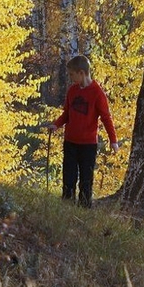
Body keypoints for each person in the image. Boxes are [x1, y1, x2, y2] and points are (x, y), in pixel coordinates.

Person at [46, 55, 119, 207]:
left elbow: (106, 118)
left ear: (81, 73)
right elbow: (67, 114)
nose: (70, 77)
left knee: (86, 178)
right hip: (70, 142)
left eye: (72, 74)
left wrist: (113, 141)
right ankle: (67, 205)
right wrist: (56, 125)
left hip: (88, 145)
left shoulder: (97, 93)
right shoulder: (72, 91)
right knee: (69, 176)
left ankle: (84, 207)